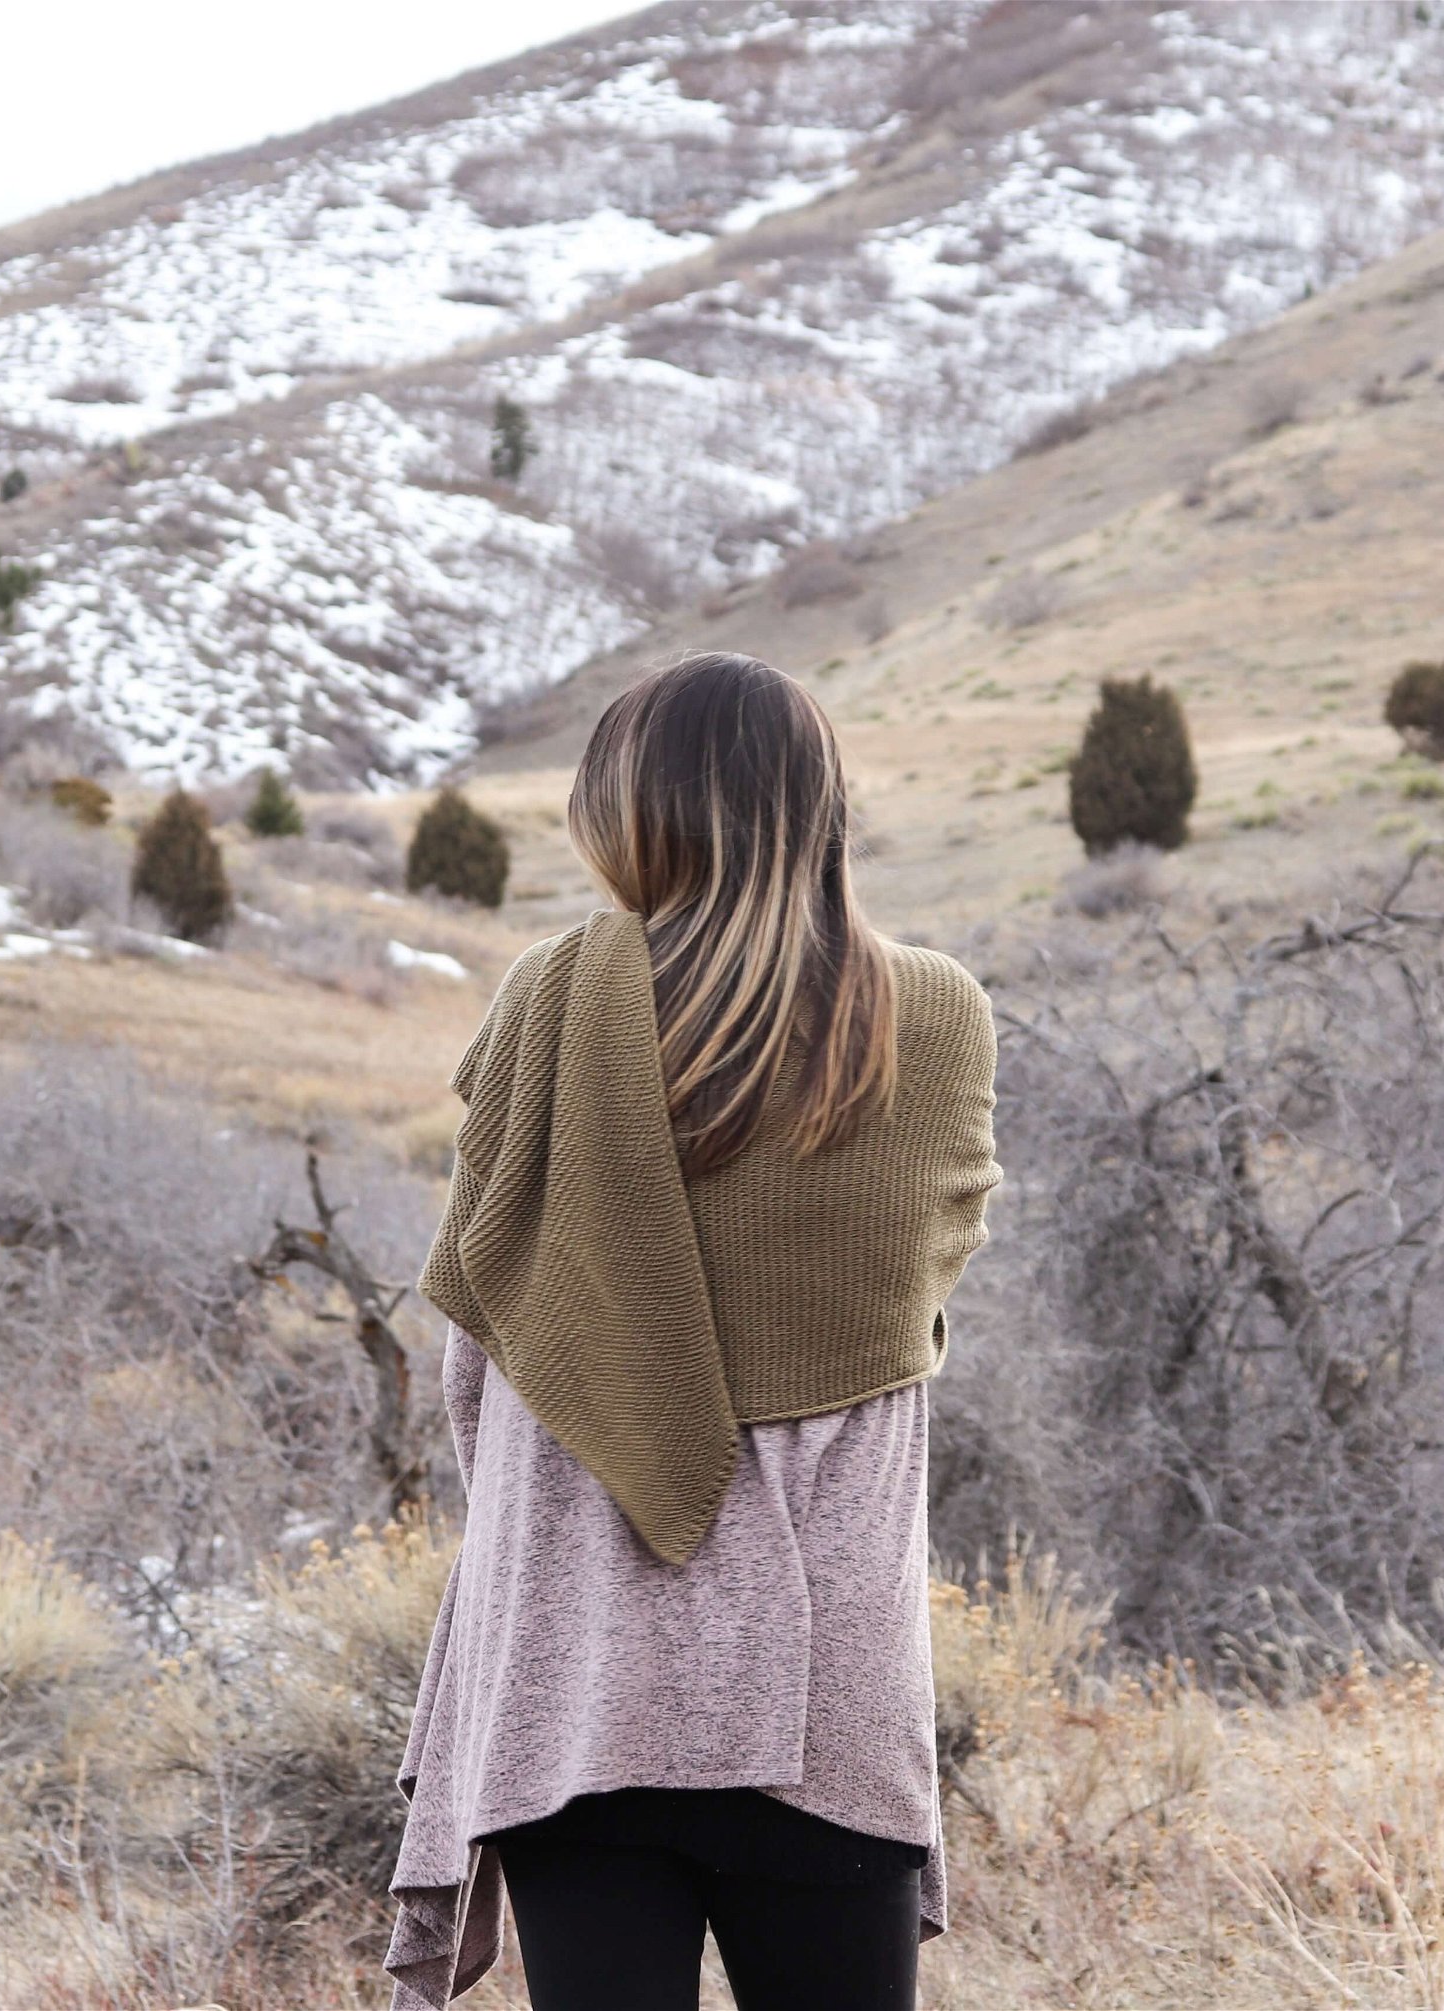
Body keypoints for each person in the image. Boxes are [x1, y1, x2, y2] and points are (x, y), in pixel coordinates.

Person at [384, 652, 1002, 2011]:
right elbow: (916, 1303)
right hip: (822, 1684)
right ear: (817, 803)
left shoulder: (547, 1008)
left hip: (579, 1662)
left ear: (632, 813)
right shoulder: (931, 1016)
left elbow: (483, 1348)